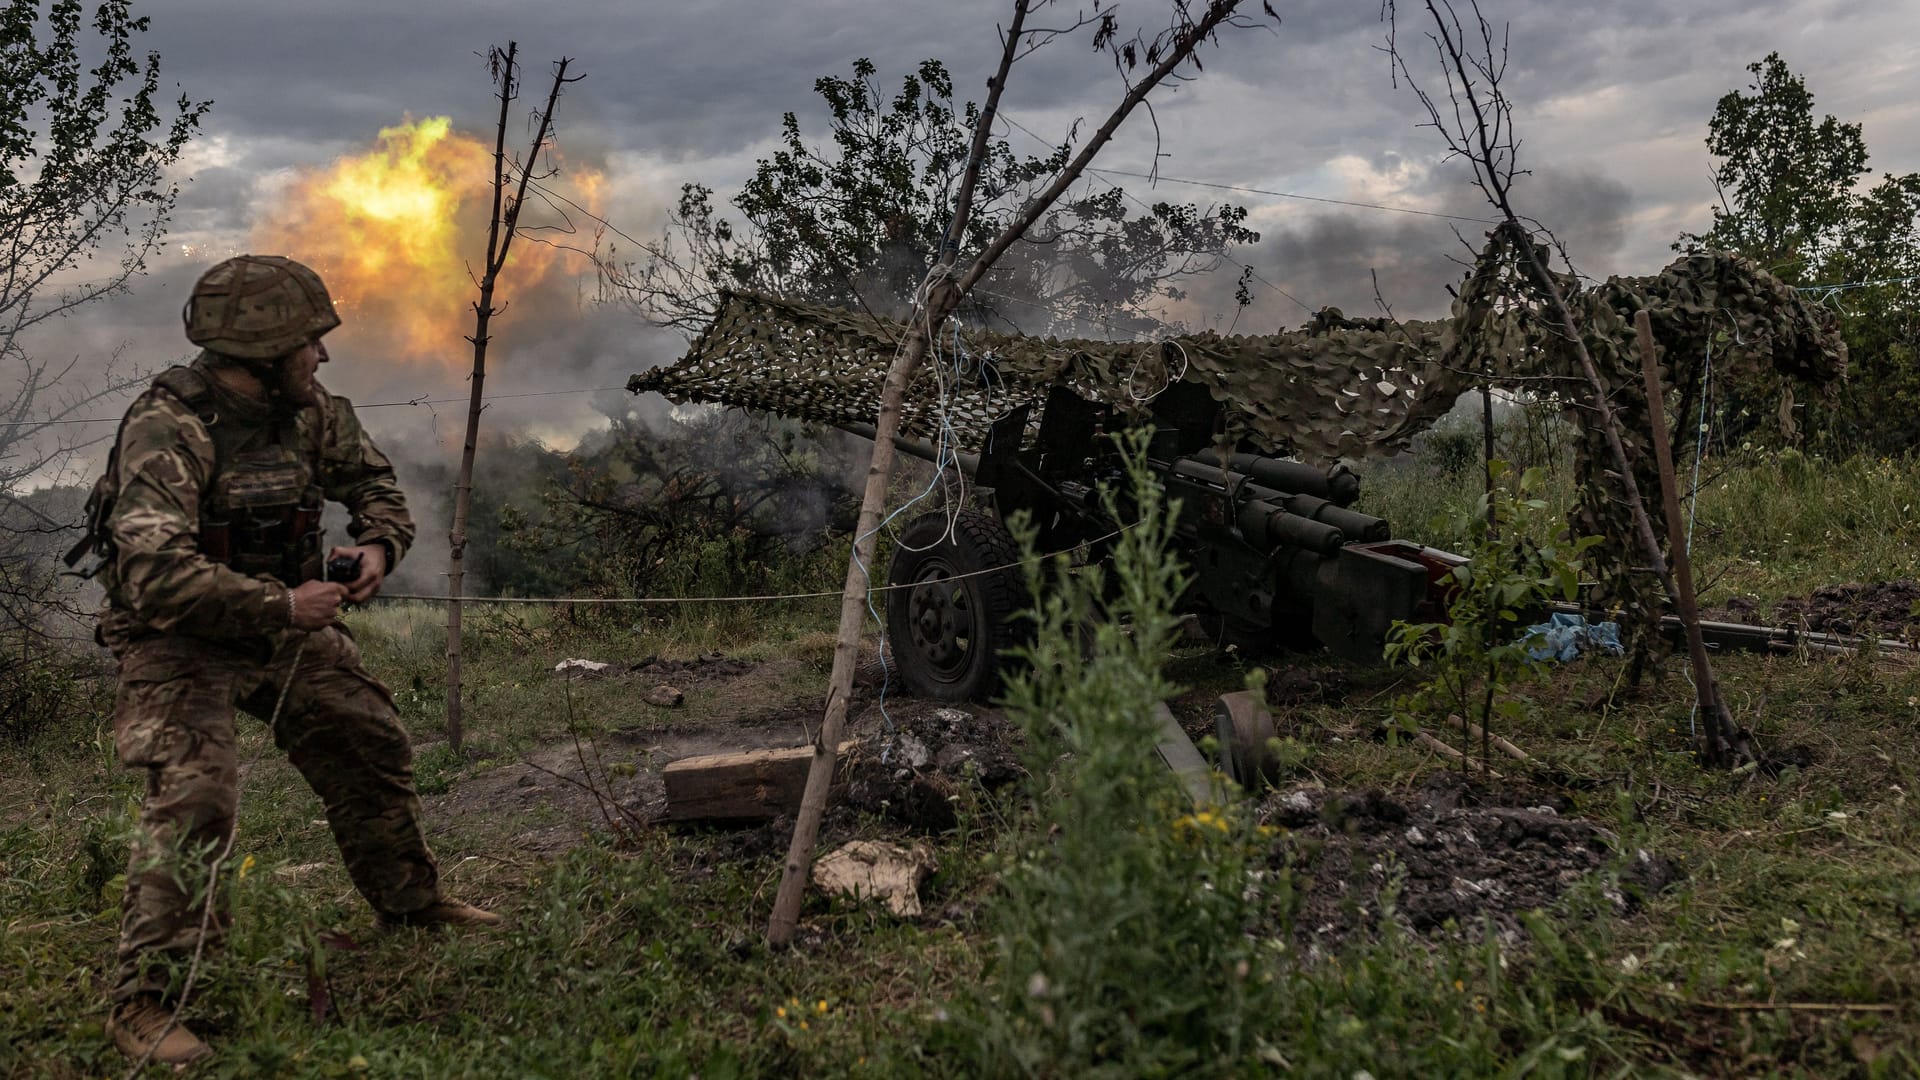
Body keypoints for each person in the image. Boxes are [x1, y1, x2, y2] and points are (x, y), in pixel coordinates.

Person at [70, 255, 500, 1066]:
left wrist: (377, 545)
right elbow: (154, 576)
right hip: (176, 637)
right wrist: (282, 604)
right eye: (310, 344)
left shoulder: (312, 414)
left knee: (366, 737)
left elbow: (375, 485)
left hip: (282, 626)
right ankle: (148, 1000)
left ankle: (409, 903)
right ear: (259, 357)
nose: (323, 358)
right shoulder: (169, 428)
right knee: (197, 798)